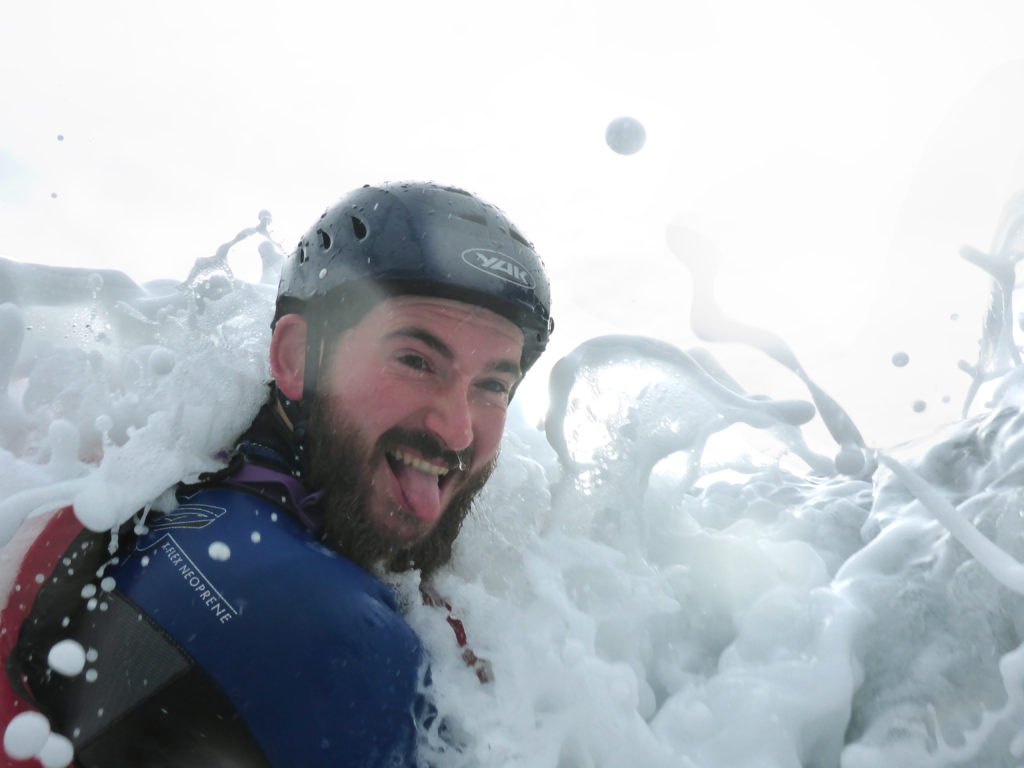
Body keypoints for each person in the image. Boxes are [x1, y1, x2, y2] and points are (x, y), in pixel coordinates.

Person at [1, 181, 553, 767]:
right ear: (294, 359)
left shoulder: (171, 483)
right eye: (416, 361)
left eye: (493, 385)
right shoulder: (328, 635)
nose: (458, 430)